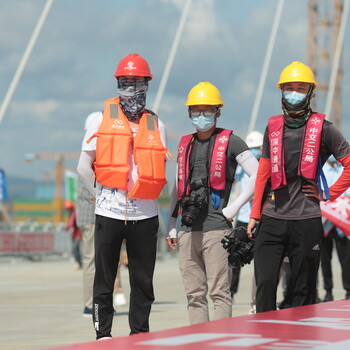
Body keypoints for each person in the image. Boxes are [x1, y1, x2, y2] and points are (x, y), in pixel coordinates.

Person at [77, 53, 169, 340]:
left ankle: (139, 334)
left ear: (147, 85)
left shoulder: (157, 124)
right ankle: (103, 334)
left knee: (142, 281)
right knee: (104, 279)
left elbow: (162, 169)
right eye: (126, 82)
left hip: (145, 215)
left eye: (138, 82)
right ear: (117, 83)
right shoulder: (99, 119)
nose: (132, 88)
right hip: (110, 212)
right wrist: (99, 196)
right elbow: (83, 166)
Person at [247, 61, 350, 313]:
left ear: (310, 93)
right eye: (289, 88)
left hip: (306, 220)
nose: (294, 93)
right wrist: (254, 215)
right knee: (266, 284)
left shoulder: (325, 129)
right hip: (272, 218)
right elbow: (262, 174)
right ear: (281, 91)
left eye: (301, 88)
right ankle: (265, 339)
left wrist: (329, 193)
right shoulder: (272, 127)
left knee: (303, 290)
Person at [167, 82, 258, 324]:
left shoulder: (232, 141)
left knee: (220, 293)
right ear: (189, 113)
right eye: (196, 110)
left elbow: (259, 175)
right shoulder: (184, 144)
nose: (201, 115)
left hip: (217, 229)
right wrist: (171, 224)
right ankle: (199, 342)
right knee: (194, 296)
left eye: (207, 110)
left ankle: (221, 342)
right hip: (187, 231)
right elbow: (177, 188)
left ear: (218, 111)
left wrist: (234, 208)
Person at [229, 131, 263, 308]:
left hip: (259, 219)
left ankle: (256, 301)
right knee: (235, 257)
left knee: (261, 261)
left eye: (256, 149)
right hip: (243, 218)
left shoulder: (265, 167)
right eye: (251, 149)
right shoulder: (242, 169)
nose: (254, 152)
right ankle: (231, 292)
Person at [320, 155, 350, 302]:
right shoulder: (321, 172)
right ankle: (328, 291)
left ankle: (348, 290)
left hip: (341, 222)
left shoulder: (343, 170)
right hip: (325, 222)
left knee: (346, 259)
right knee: (325, 259)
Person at [64, 200, 82, 270]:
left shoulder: (75, 214)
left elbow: (78, 225)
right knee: (74, 249)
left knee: (76, 248)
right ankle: (78, 262)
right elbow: (69, 224)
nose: (68, 210)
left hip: (77, 234)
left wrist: (79, 235)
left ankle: (79, 262)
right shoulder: (71, 214)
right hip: (73, 234)